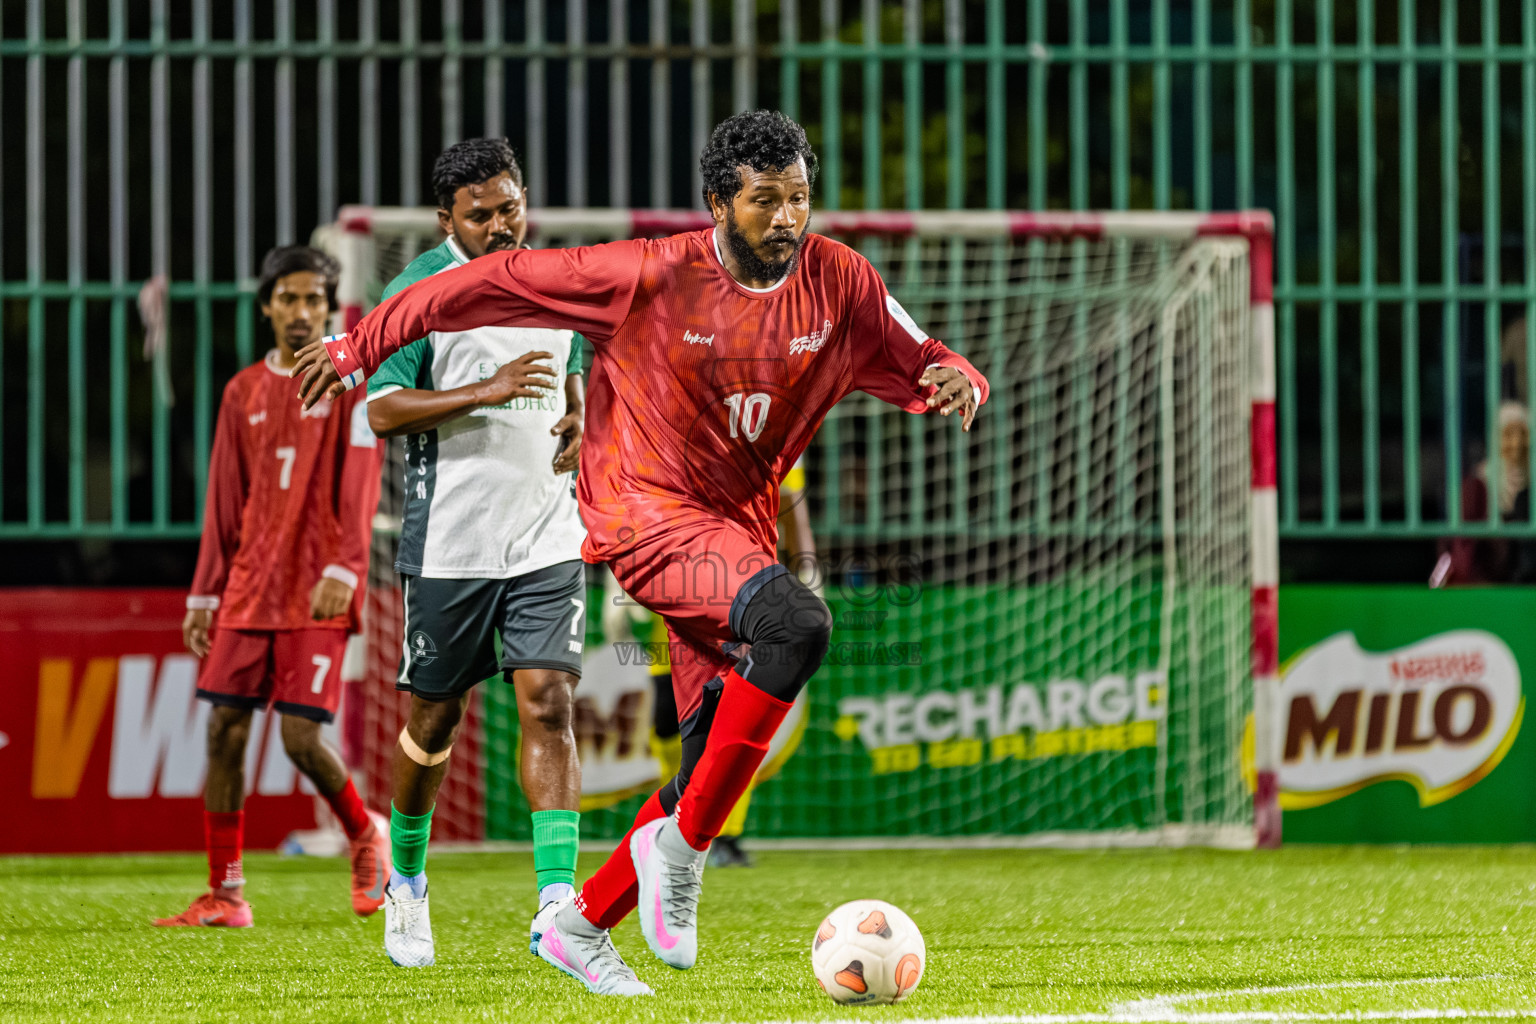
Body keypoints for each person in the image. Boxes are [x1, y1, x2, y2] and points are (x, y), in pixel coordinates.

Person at [292, 109, 987, 996]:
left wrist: (954, 374)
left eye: (799, 199)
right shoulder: (644, 272)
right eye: (765, 200)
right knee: (798, 626)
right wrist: (357, 347)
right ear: (717, 206)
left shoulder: (839, 278)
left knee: (704, 768)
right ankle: (677, 855)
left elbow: (920, 350)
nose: (786, 218)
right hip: (641, 511)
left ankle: (579, 924)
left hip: (736, 527)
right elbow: (471, 286)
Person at [363, 137, 588, 968]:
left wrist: (578, 412)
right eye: (480, 213)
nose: (500, 224)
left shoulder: (559, 281)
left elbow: (578, 366)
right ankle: (408, 882)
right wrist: (483, 392)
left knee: (550, 703)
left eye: (510, 205)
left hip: (548, 534)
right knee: (434, 719)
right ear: (446, 218)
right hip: (451, 545)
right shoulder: (417, 290)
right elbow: (381, 411)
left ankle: (557, 904)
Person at [155, 246, 386, 928]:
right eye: (288, 298)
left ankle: (363, 833)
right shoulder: (242, 391)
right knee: (223, 730)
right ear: (267, 307)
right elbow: (225, 501)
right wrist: (204, 594)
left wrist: (345, 569)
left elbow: (361, 486)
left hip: (316, 588)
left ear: (329, 308)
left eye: (314, 299)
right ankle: (225, 894)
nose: (301, 311)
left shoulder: (351, 386)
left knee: (299, 741)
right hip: (250, 588)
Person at [1435, 401, 1536, 585]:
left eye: (1523, 433)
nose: (1517, 443)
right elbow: (1460, 545)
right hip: (1480, 589)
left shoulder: (1531, 487)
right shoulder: (1477, 486)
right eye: (1508, 434)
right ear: (1495, 438)